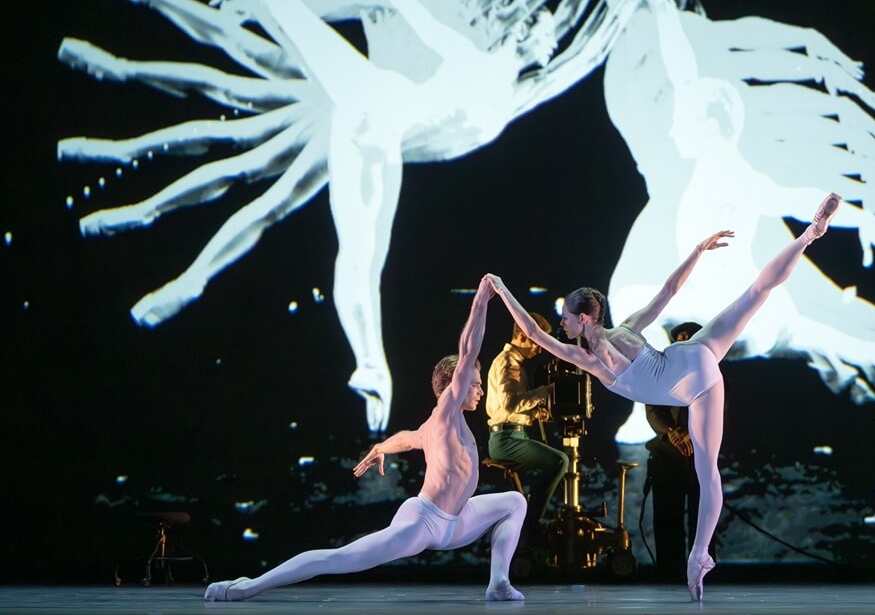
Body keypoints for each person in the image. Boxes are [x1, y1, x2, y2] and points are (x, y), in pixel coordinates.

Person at [486, 192, 841, 601]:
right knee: (756, 293)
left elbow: (533, 333)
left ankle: (698, 555)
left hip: (696, 384)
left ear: (583, 319)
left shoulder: (594, 359)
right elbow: (670, 289)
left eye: (566, 316)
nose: (562, 322)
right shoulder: (628, 327)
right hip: (696, 353)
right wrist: (696, 250)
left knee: (709, 476)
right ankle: (810, 235)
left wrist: (501, 288)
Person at [203, 276, 526, 602]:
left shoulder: (441, 425)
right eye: (474, 383)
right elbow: (468, 350)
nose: (480, 389)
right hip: (425, 522)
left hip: (456, 522)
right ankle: (248, 585)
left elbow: (409, 438)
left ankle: (498, 583)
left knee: (514, 502)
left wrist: (380, 447)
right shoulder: (445, 412)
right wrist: (482, 300)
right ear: (450, 388)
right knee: (339, 559)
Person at [485, 313, 569, 542]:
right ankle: (529, 527)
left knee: (557, 460)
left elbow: (512, 407)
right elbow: (510, 404)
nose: (539, 350)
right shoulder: (507, 363)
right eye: (536, 342)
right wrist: (547, 391)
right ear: (522, 336)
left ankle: (527, 521)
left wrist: (533, 413)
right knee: (560, 461)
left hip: (513, 434)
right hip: (506, 440)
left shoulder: (513, 363)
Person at [644, 320, 712, 581]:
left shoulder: (710, 371)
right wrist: (672, 433)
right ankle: (669, 571)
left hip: (700, 453)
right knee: (667, 515)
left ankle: (702, 570)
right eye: (678, 337)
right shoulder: (661, 371)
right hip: (667, 454)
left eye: (688, 336)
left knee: (701, 517)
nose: (682, 340)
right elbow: (653, 408)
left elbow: (719, 411)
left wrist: (693, 435)